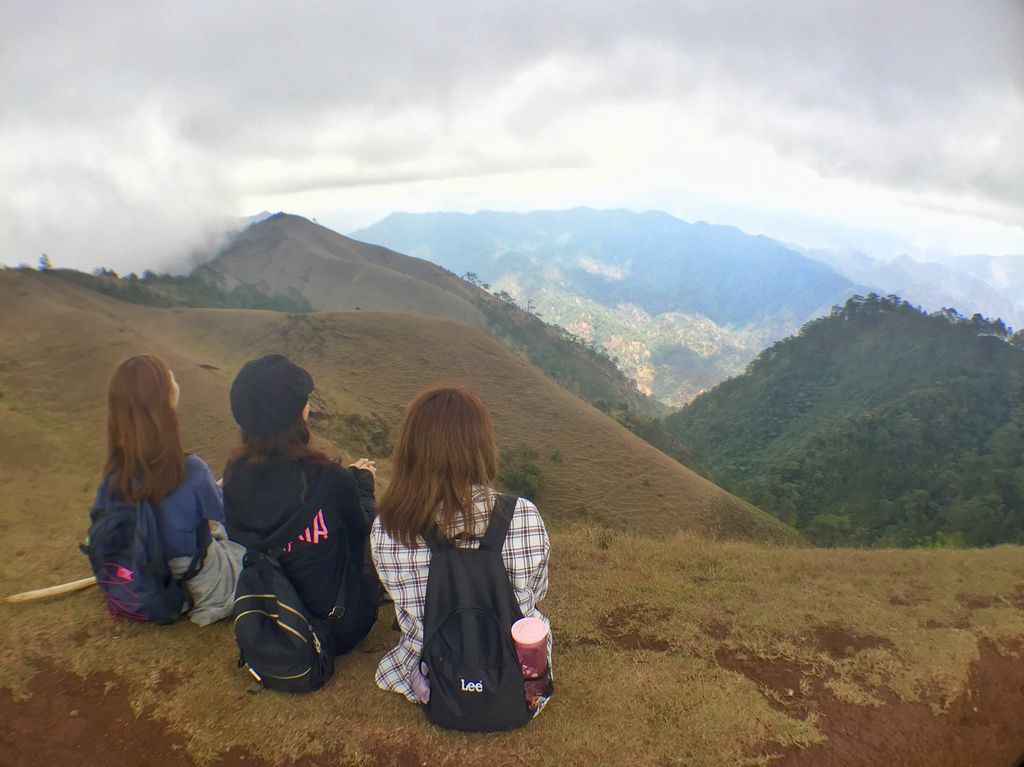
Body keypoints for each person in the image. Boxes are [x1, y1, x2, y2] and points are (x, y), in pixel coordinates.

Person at [372, 385, 551, 705]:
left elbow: (399, 601)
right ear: (480, 447)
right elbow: (534, 594)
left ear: (411, 449)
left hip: (432, 674)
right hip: (514, 674)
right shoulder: (522, 515)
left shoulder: (389, 526)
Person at [223, 354, 379, 654]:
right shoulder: (327, 478)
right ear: (298, 413)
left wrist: (350, 477)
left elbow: (283, 501)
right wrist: (364, 483)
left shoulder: (235, 475)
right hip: (336, 626)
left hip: (268, 619)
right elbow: (362, 527)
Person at [97, 354, 244, 625]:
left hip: (146, 575)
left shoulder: (114, 476)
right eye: (170, 379)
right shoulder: (193, 470)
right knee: (244, 553)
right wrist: (220, 488)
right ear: (165, 402)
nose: (176, 382)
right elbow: (225, 515)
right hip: (196, 582)